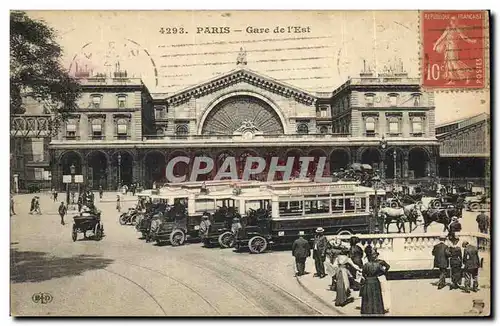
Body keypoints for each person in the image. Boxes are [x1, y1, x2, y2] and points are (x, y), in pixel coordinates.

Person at [372, 249, 391, 313]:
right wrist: (384, 271)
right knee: (383, 292)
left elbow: (388, 266)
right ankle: (384, 306)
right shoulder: (381, 262)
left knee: (381, 292)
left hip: (377, 277)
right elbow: (388, 266)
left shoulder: (373, 262)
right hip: (381, 277)